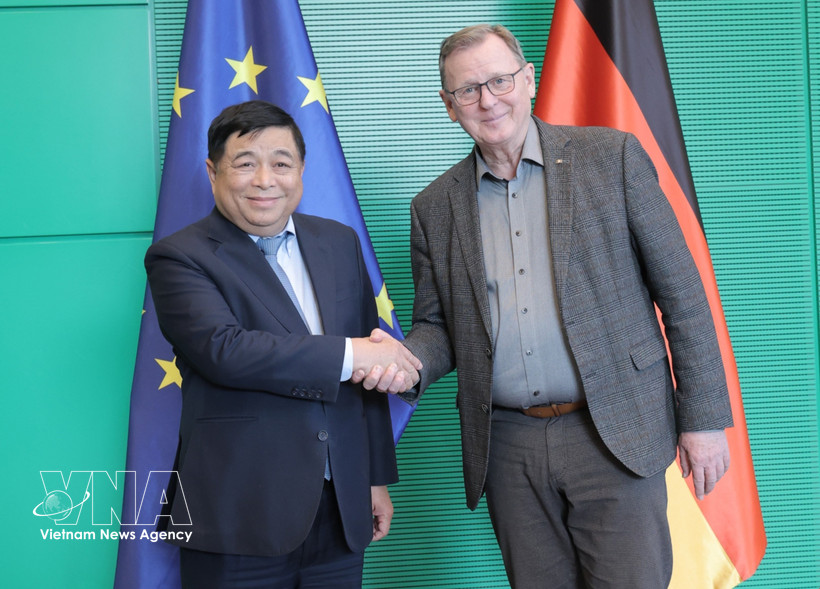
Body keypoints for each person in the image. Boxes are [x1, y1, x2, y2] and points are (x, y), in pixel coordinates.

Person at [358, 24, 734, 588]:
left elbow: (682, 294)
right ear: (448, 105)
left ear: (528, 79)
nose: (488, 99)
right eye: (467, 90)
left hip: (614, 431)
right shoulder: (433, 207)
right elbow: (438, 326)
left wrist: (702, 420)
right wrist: (404, 360)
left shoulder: (611, 158)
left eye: (499, 80)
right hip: (507, 448)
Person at [145, 100, 421, 589]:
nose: (265, 180)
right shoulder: (179, 256)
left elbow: (366, 380)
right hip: (237, 515)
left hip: (341, 511)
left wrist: (374, 478)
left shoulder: (338, 241)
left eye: (281, 163)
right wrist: (354, 353)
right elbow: (225, 350)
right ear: (213, 172)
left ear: (302, 171)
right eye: (245, 163)